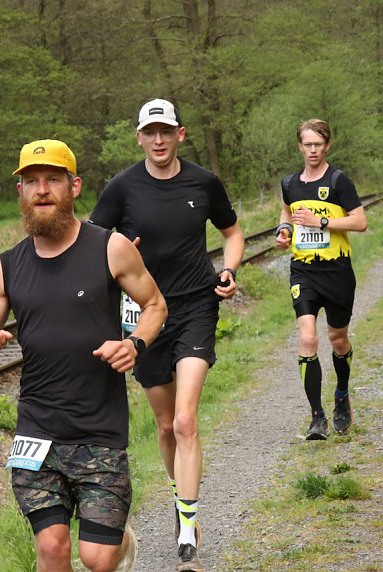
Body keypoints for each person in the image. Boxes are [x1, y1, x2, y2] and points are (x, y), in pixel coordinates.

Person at [0, 139, 167, 572]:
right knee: (53, 549)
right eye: (31, 182)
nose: (42, 190)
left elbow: (155, 305)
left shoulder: (110, 248)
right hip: (37, 432)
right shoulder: (5, 267)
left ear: (73, 187)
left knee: (98, 558)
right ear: (20, 192)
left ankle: (116, 538)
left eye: (53, 180)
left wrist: (134, 344)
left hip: (99, 430)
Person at [89, 98, 244, 571]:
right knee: (163, 425)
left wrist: (229, 270)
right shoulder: (122, 188)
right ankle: (182, 502)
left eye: (166, 131)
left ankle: (187, 533)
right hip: (146, 316)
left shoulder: (203, 182)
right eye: (150, 132)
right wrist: (119, 255)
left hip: (196, 305)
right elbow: (91, 247)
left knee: (184, 420)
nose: (159, 140)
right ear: (139, 137)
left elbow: (233, 233)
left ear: (180, 134)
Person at [274, 119, 367, 440]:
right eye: (307, 144)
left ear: (327, 146)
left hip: (337, 272)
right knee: (308, 338)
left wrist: (322, 222)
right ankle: (317, 417)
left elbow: (360, 221)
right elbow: (287, 212)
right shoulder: (289, 183)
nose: (312, 150)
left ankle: (341, 394)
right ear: (299, 147)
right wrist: (284, 231)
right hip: (303, 271)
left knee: (338, 340)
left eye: (318, 144)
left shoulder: (338, 181)